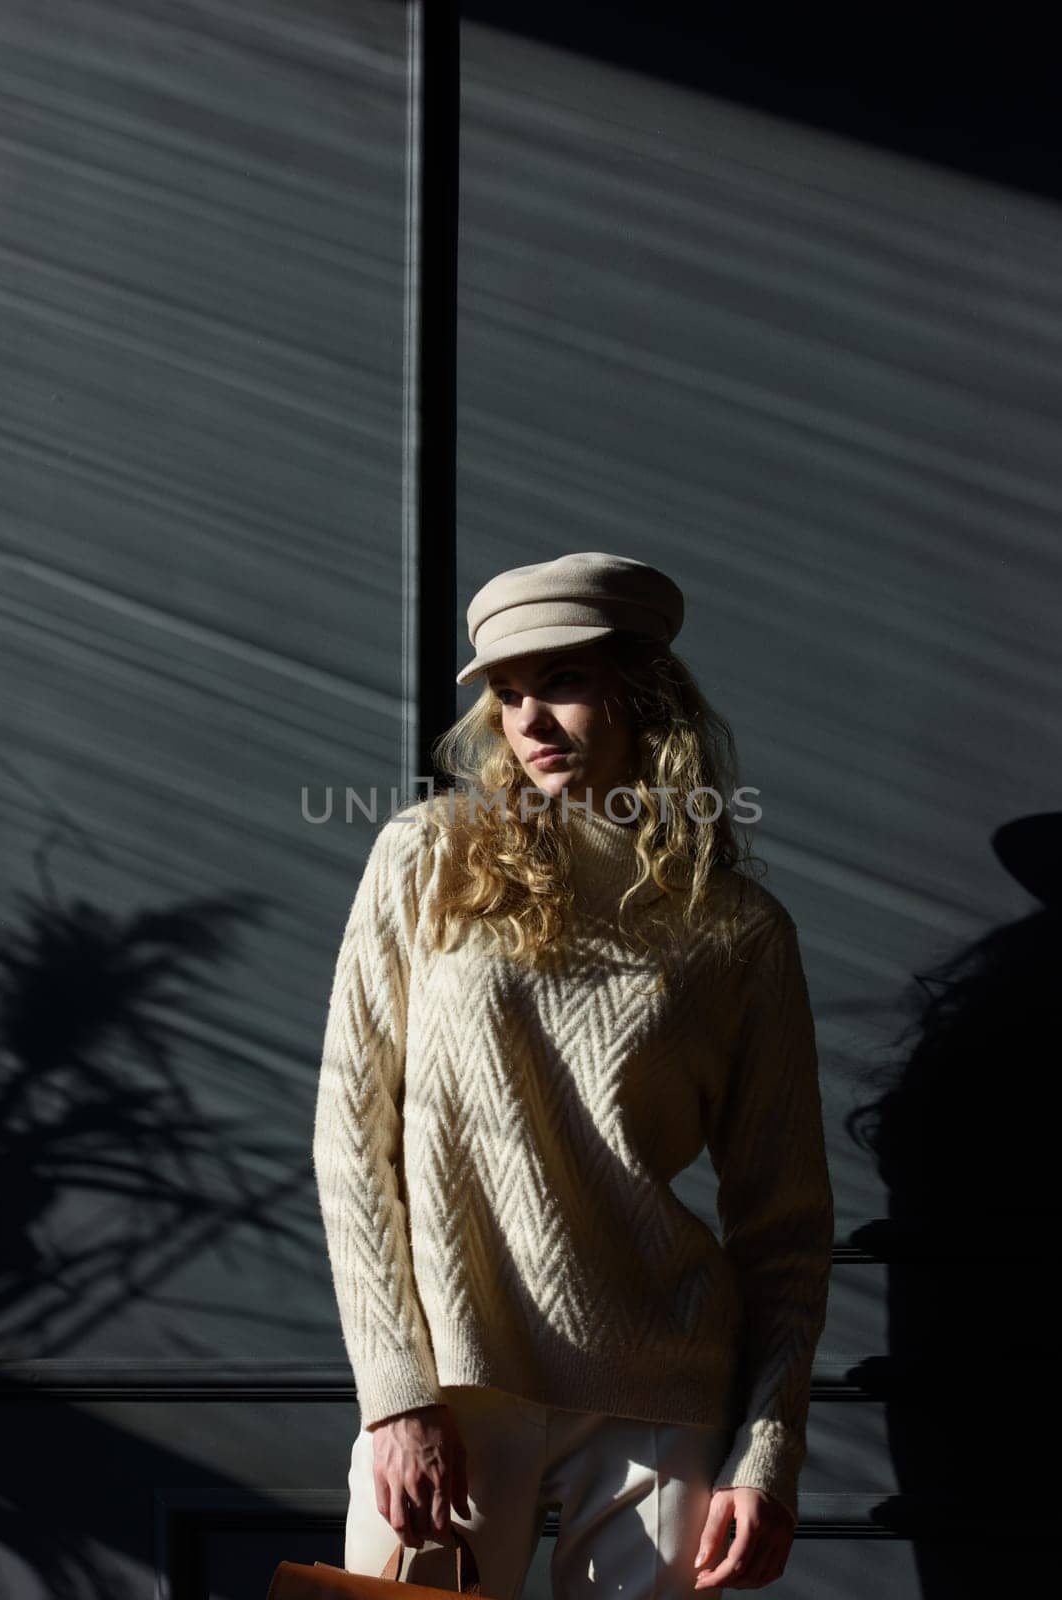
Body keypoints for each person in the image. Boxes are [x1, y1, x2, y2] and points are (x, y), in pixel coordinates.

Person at [312, 551, 834, 1598]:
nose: (531, 720)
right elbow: (351, 1134)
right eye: (508, 694)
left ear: (644, 693)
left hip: (661, 1389)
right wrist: (395, 1394)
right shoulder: (427, 857)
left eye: (562, 683)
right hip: (457, 1382)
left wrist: (769, 1448)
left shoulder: (738, 929)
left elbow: (784, 1223)